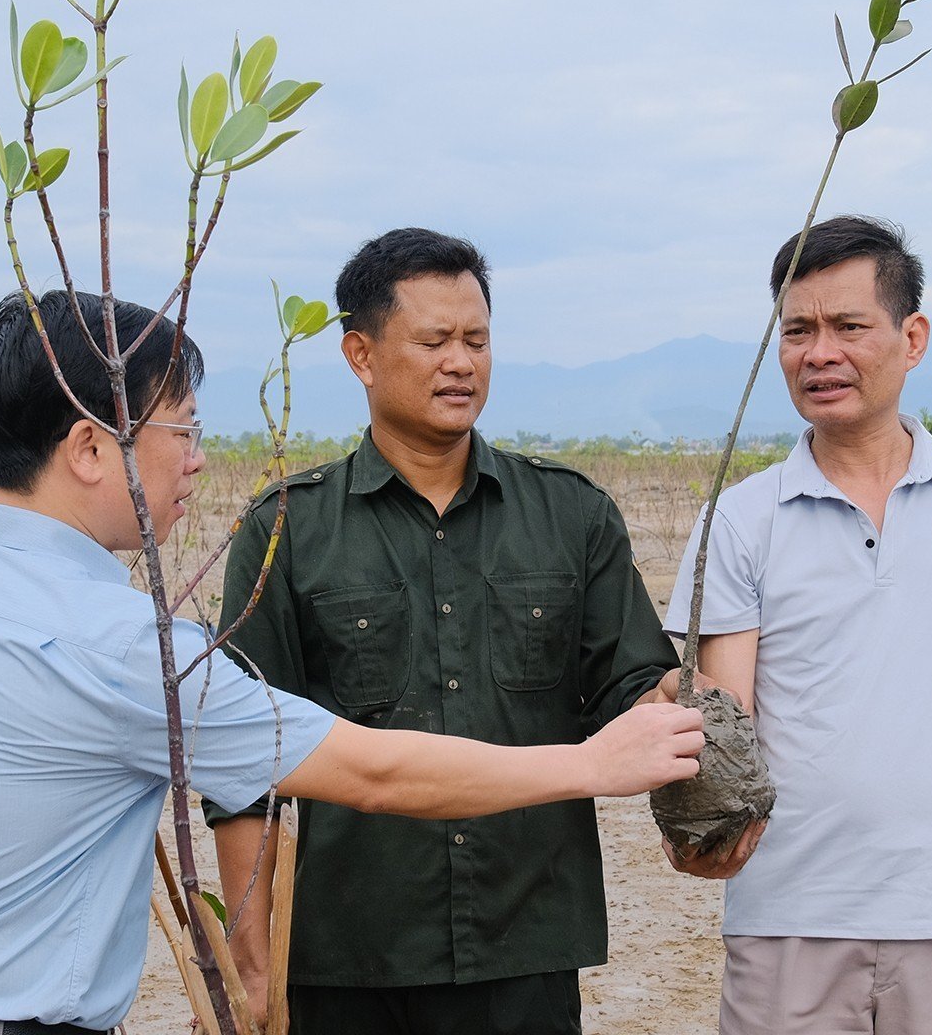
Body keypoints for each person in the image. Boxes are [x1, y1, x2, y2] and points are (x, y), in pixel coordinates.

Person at [0, 289, 706, 1035]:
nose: (195, 463)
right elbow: (372, 769)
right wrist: (592, 765)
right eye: (182, 432)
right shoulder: (132, 650)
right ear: (87, 448)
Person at [205, 228, 686, 1035]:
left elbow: (636, 691)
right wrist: (253, 965)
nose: (461, 362)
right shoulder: (287, 529)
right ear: (361, 353)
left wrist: (706, 705)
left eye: (476, 340)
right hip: (348, 952)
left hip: (525, 942)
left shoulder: (572, 515)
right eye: (434, 341)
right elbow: (245, 765)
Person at [665, 216, 932, 1034]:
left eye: (848, 327)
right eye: (797, 331)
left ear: (913, 337)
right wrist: (692, 816)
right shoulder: (739, 516)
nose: (818, 353)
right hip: (787, 914)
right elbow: (730, 714)